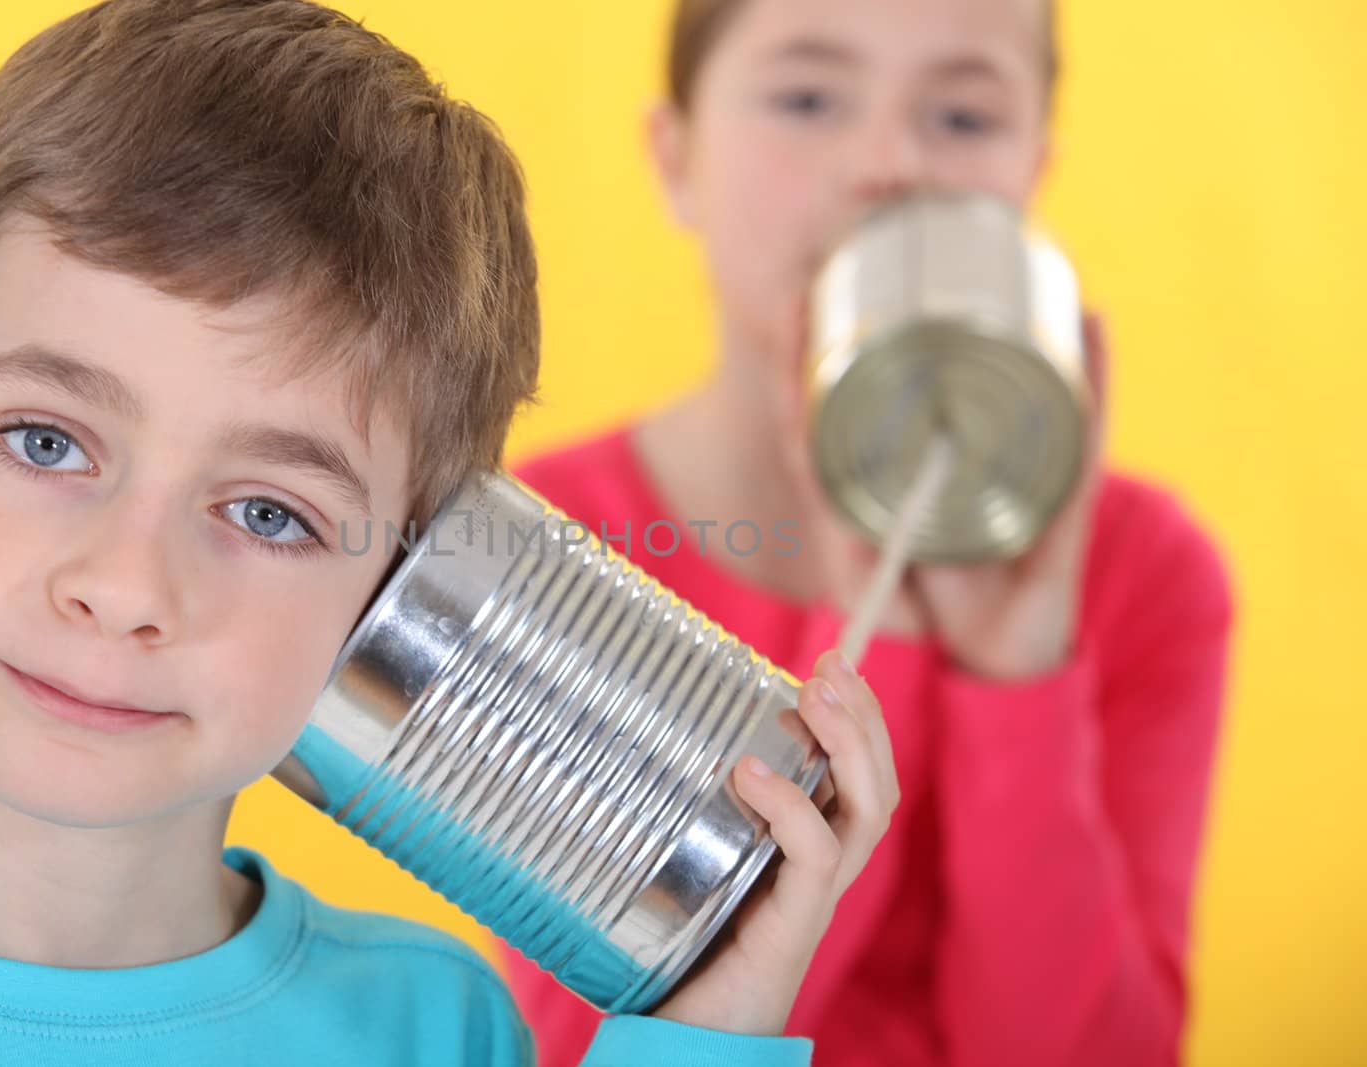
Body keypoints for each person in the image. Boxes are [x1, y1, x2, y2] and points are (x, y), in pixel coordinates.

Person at [0, 2, 902, 1063]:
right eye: (45, 442)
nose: (124, 585)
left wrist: (706, 1024)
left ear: (400, 595)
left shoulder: (431, 1020)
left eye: (269, 512)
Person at [501, 1, 1234, 1064]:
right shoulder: (555, 540)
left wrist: (1018, 667)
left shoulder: (1148, 571)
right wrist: (869, 635)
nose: (888, 163)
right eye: (806, 97)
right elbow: (588, 1047)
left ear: (1033, 171)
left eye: (963, 115)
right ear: (676, 160)